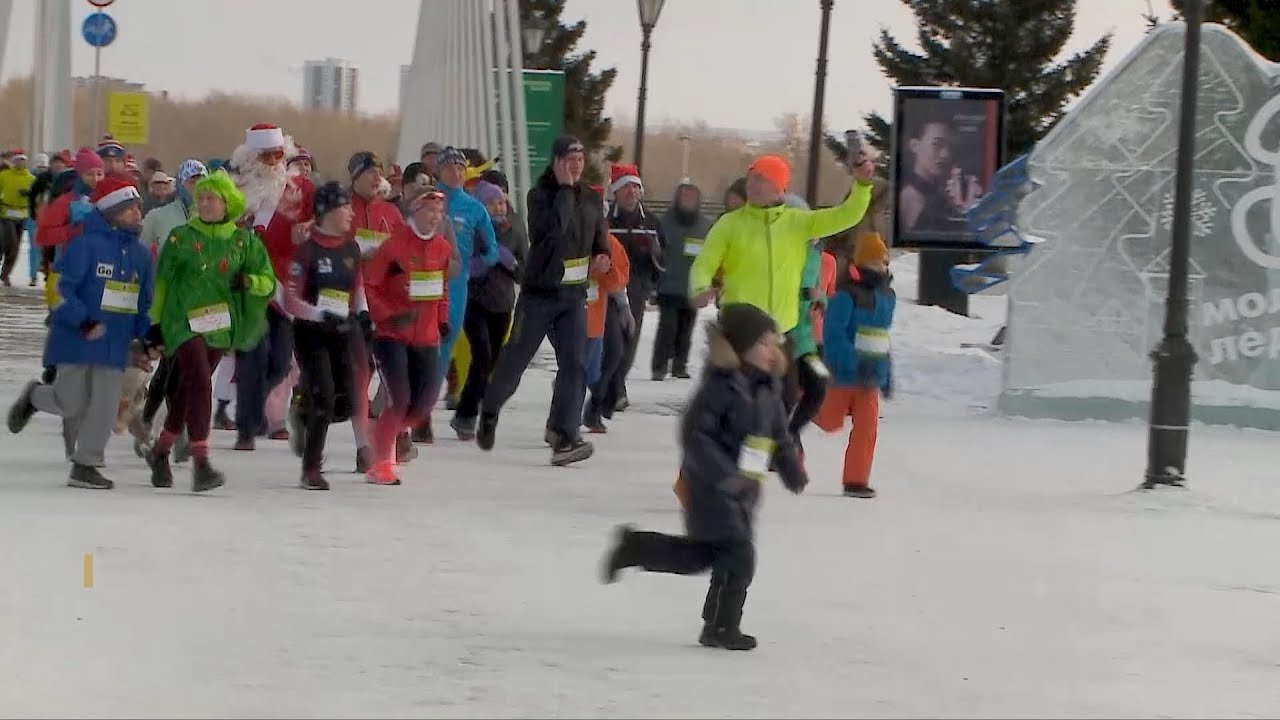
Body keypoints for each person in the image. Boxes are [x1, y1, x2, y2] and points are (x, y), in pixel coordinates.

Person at [601, 304, 808, 651]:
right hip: (710, 489)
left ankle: (636, 548)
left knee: (703, 556)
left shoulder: (768, 388)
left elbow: (779, 434)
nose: (773, 352)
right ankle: (723, 627)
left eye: (775, 344)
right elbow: (695, 435)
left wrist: (790, 466)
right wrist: (725, 476)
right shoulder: (720, 387)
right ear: (741, 347)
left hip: (743, 490)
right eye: (764, 344)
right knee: (740, 556)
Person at [689, 153, 876, 450]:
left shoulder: (797, 223)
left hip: (780, 333)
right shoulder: (730, 224)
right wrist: (700, 287)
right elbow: (704, 263)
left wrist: (862, 186)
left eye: (760, 179)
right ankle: (702, 469)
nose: (752, 185)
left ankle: (758, 458)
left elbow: (844, 216)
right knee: (727, 404)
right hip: (741, 334)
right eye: (750, 178)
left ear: (779, 188)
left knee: (786, 397)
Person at [6, 178, 154, 489]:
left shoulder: (141, 255)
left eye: (138, 207)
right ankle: (35, 396)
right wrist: (82, 321)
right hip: (76, 339)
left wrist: (146, 339)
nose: (136, 213)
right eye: (128, 208)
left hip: (115, 344)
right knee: (70, 403)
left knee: (104, 405)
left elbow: (144, 302)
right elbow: (60, 290)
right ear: (111, 212)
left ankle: (86, 464)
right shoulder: (84, 245)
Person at [475, 136, 610, 466]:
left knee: (574, 364)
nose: (576, 165)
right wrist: (563, 190)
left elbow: (599, 235)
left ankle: (564, 436)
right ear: (555, 162)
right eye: (569, 159)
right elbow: (550, 233)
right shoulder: (540, 196)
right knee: (515, 360)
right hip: (539, 295)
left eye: (580, 159)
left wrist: (603, 254)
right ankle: (490, 410)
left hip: (573, 296)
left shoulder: (591, 198)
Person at [144, 170, 276, 492]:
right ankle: (201, 463)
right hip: (182, 321)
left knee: (190, 389)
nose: (203, 203)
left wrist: (248, 281)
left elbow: (268, 281)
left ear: (227, 202)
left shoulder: (243, 241)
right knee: (201, 382)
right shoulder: (180, 237)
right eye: (199, 197)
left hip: (219, 323)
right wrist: (156, 325)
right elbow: (161, 284)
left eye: (210, 198)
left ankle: (160, 450)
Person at [230, 122, 315, 450]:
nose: (273, 162)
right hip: (249, 284)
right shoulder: (236, 189)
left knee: (279, 361)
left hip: (286, 285)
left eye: (279, 155)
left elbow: (320, 221)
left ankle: (254, 407)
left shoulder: (300, 189)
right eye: (266, 156)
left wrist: (307, 227)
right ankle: (246, 427)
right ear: (252, 157)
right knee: (252, 357)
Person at [362, 188, 453, 485]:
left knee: (424, 403)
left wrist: (442, 319)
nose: (435, 217)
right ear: (415, 212)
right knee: (399, 398)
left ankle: (386, 432)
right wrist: (389, 314)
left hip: (426, 336)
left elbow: (441, 288)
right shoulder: (393, 246)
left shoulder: (441, 247)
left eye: (439, 213)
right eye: (429, 211)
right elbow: (370, 287)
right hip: (391, 334)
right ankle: (381, 463)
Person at [284, 182, 369, 490]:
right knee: (326, 398)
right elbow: (290, 299)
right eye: (345, 207)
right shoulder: (307, 251)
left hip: (342, 331)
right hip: (311, 334)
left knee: (349, 400)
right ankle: (311, 468)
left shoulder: (351, 248)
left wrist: (363, 313)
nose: (350, 213)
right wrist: (318, 314)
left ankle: (303, 412)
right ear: (327, 212)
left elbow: (356, 287)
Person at [414, 147, 497, 443]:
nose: (457, 173)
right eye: (450, 168)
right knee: (419, 348)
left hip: (455, 289)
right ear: (439, 172)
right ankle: (409, 408)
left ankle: (423, 415)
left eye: (461, 169)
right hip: (421, 286)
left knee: (442, 351)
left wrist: (475, 265)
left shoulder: (474, 208)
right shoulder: (425, 201)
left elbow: (492, 249)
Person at [815, 236, 895, 499]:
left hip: (870, 377)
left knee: (867, 427)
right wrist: (852, 362)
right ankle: (803, 408)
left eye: (882, 261)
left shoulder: (888, 296)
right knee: (829, 422)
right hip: (843, 375)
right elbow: (834, 335)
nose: (880, 267)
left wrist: (886, 374)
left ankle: (856, 481)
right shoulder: (845, 296)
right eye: (873, 262)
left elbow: (882, 337)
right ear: (860, 264)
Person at [451, 180, 527, 439]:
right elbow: (460, 266)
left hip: (503, 305)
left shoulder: (514, 231)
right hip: (474, 302)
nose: (499, 206)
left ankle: (469, 409)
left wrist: (512, 263)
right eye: (493, 202)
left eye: (502, 201)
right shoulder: (472, 230)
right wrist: (483, 262)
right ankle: (467, 414)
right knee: (482, 355)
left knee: (489, 362)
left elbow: (524, 272)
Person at [606, 163, 664, 410]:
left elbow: (664, 260)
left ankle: (617, 386)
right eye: (625, 188)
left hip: (636, 290)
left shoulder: (651, 221)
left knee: (629, 341)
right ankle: (609, 386)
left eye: (635, 188)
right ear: (616, 192)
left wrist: (656, 256)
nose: (631, 192)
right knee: (609, 342)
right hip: (607, 290)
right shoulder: (606, 219)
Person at [581, 191, 630, 434]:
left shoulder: (612, 245)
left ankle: (595, 406)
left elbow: (619, 280)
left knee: (609, 359)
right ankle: (563, 420)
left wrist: (607, 269)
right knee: (576, 368)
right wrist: (589, 269)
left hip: (598, 315)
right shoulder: (571, 237)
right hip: (569, 312)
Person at [652, 178, 712, 380]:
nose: (687, 199)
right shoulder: (663, 222)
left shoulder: (706, 226)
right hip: (668, 285)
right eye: (683, 194)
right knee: (667, 327)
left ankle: (680, 365)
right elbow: (654, 252)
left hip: (692, 287)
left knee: (686, 330)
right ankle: (659, 366)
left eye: (691, 195)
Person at [897, 108, 983, 235]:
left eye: (950, 147)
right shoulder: (905, 199)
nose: (945, 154)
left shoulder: (947, 196)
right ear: (915, 145)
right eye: (937, 144)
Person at [139, 160, 206, 260]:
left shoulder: (215, 217)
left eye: (203, 182)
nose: (198, 187)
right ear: (180, 184)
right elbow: (140, 253)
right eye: (192, 182)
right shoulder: (157, 216)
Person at [0, 148, 35, 286]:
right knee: (9, 243)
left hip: (21, 215)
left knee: (15, 248)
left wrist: (29, 195)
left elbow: (36, 196)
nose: (20, 163)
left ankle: (6, 274)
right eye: (18, 160)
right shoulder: (4, 176)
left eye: (23, 160)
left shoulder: (31, 178)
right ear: (14, 162)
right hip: (5, 214)